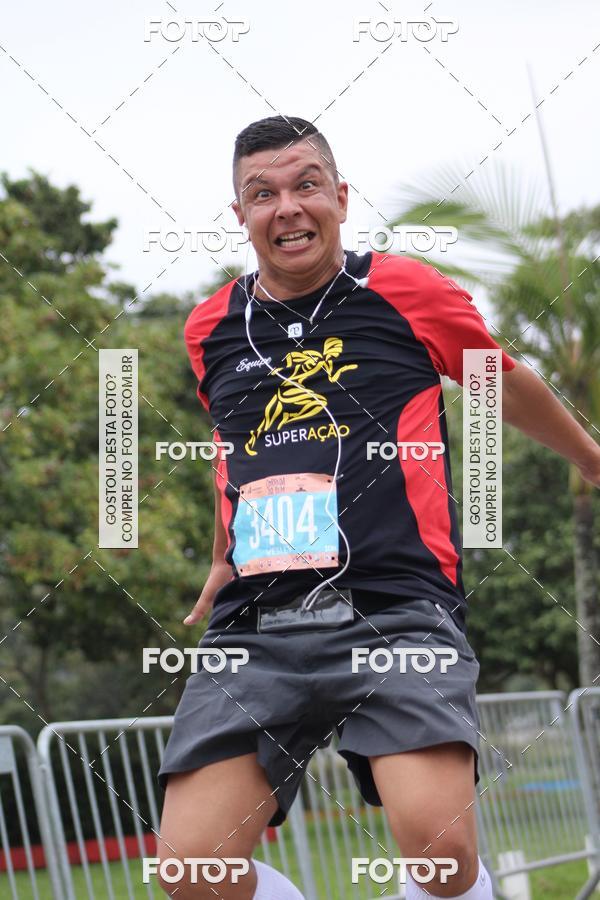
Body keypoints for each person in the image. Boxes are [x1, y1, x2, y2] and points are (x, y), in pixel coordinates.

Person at [155, 115, 600, 899]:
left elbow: (499, 380)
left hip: (394, 608)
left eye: (305, 185)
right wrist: (223, 553)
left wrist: (594, 461)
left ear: (340, 197)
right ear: (239, 215)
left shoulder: (403, 289)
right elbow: (233, 445)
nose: (286, 207)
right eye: (263, 193)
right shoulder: (209, 326)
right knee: (193, 868)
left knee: (438, 851)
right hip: (258, 621)